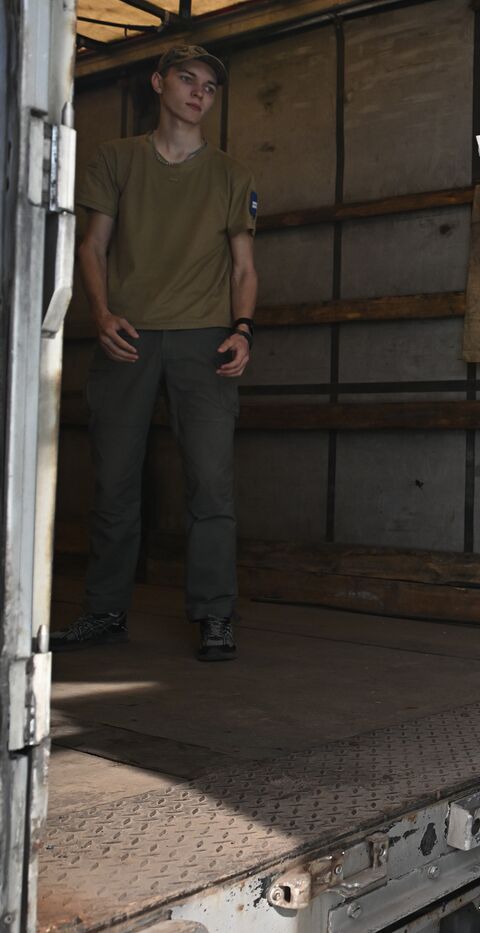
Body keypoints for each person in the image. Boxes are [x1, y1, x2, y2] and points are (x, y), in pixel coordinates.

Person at [53, 46, 258, 662]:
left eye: (210, 88)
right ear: (158, 83)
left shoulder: (230, 174)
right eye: (187, 80)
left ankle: (215, 615)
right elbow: (92, 247)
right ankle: (105, 611)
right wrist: (102, 312)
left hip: (205, 340)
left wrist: (243, 329)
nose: (199, 93)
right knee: (114, 479)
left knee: (211, 486)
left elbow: (245, 267)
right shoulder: (116, 158)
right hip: (128, 336)